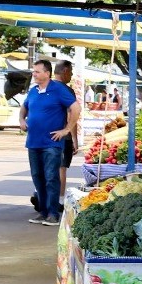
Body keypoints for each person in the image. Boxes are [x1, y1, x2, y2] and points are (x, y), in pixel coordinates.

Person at [20, 59, 79, 226]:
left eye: (37, 71)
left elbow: (76, 108)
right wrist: (21, 120)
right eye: (34, 71)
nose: (34, 74)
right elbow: (24, 107)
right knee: (37, 177)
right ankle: (43, 212)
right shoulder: (33, 91)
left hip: (52, 143)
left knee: (51, 177)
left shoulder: (59, 89)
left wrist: (67, 130)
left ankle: (53, 213)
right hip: (33, 142)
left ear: (47, 73)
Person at [53, 60, 79, 201]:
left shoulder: (45, 87)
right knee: (61, 168)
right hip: (63, 136)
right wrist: (74, 139)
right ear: (65, 71)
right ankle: (60, 200)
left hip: (46, 135)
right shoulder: (67, 91)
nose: (72, 75)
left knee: (47, 168)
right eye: (71, 72)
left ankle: (41, 194)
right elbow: (72, 115)